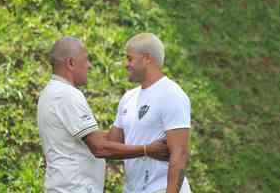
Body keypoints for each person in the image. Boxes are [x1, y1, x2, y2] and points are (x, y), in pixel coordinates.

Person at [37, 37, 169, 193]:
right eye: (85, 60)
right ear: (71, 63)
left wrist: (134, 132)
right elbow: (99, 148)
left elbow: (92, 137)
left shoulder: (50, 92)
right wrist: (147, 149)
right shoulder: (66, 95)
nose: (89, 66)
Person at [107, 33, 192, 193]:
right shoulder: (128, 98)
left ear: (147, 58)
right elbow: (111, 145)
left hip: (160, 188)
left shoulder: (172, 94)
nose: (126, 64)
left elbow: (180, 153)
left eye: (130, 58)